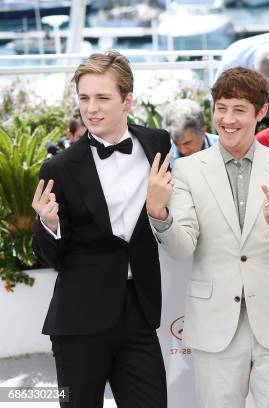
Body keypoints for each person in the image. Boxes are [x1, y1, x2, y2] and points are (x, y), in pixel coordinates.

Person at [146, 67, 269, 408]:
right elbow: (182, 248)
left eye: (239, 109)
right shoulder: (187, 169)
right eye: (221, 108)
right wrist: (159, 214)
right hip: (214, 326)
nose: (228, 119)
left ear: (261, 112)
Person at [31, 51, 170, 407]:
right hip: (79, 319)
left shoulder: (157, 143)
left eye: (102, 97)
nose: (91, 108)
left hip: (139, 311)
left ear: (127, 101)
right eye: (84, 98)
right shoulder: (59, 168)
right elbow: (49, 256)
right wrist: (50, 226)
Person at [162, 99, 218, 166]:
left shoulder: (225, 149)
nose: (183, 151)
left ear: (203, 131)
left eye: (187, 143)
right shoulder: (164, 156)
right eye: (176, 143)